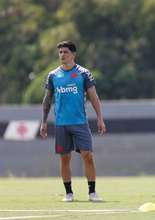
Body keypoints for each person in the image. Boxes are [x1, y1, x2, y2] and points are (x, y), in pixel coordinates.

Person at [40, 41, 106, 202]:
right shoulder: (53, 75)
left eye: (65, 52)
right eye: (60, 52)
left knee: (87, 155)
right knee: (64, 158)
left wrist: (100, 118)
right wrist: (43, 122)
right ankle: (69, 193)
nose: (62, 55)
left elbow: (94, 97)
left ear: (73, 54)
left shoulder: (83, 73)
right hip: (61, 124)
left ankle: (92, 192)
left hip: (80, 123)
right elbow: (47, 100)